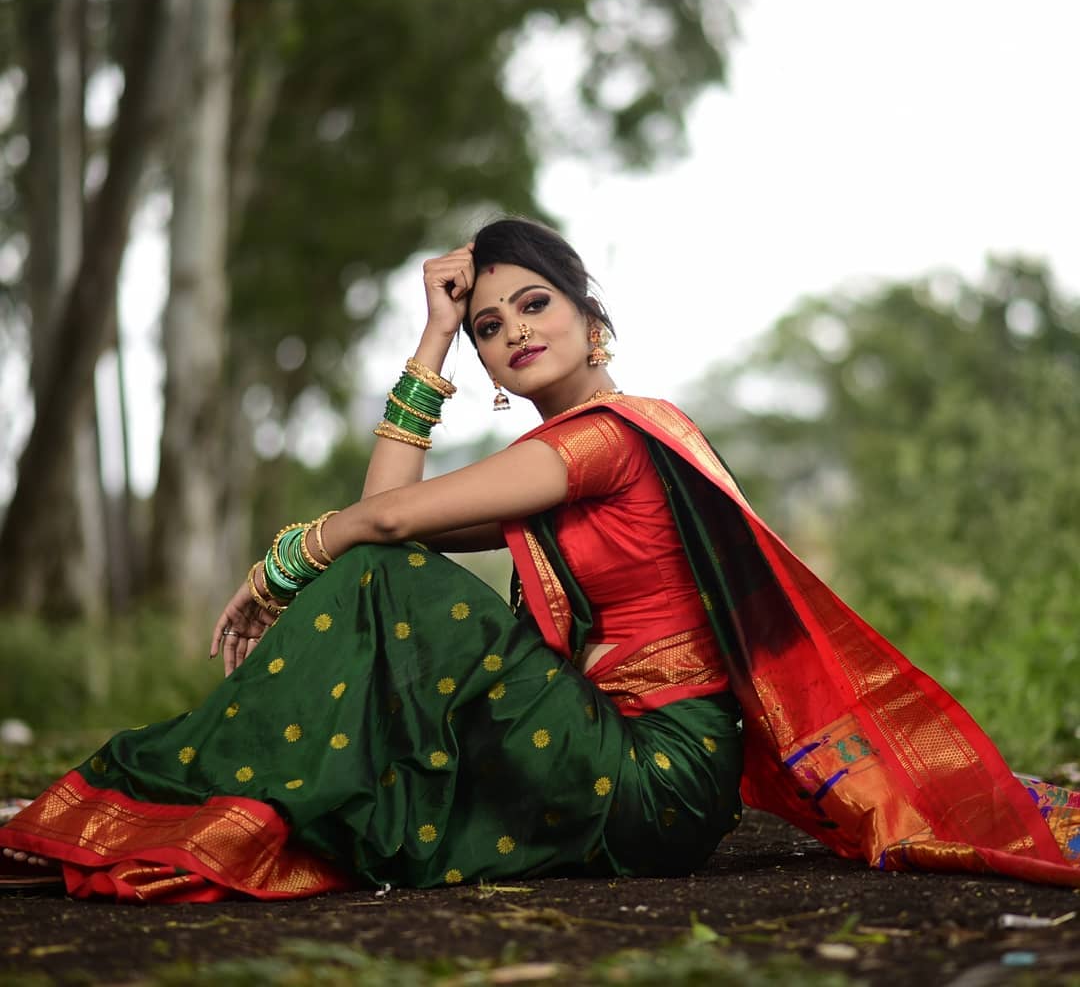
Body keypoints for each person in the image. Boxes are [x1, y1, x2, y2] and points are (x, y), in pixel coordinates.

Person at [1, 218, 1077, 900]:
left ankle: (143, 792)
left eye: (535, 305)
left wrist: (286, 555)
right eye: (487, 326)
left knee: (378, 574)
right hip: (614, 749)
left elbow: (372, 534)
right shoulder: (555, 458)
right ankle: (175, 802)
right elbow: (394, 515)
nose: (511, 331)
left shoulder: (605, 441)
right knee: (385, 581)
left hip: (655, 776)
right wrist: (426, 339)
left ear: (589, 319)